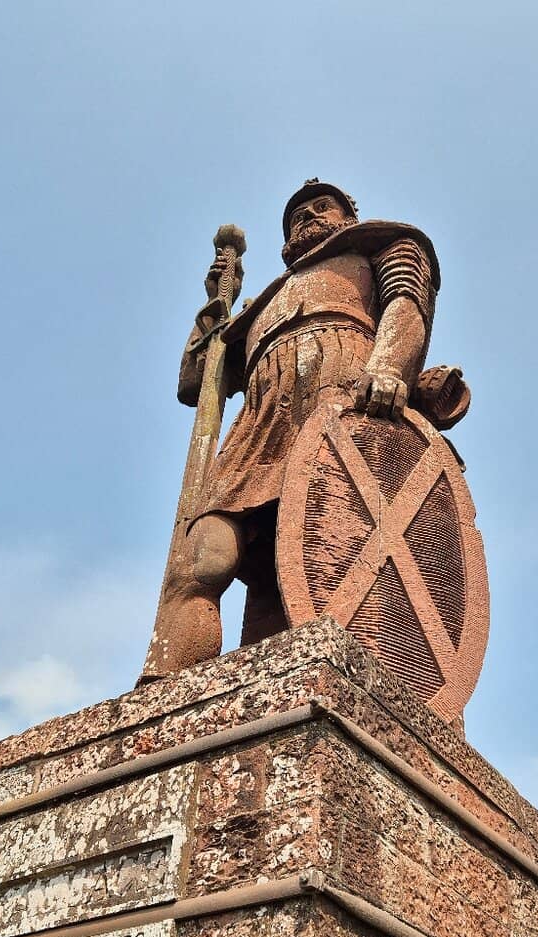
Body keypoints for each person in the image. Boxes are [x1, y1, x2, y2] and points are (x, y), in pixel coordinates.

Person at [151, 179, 449, 675]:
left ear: (346, 216)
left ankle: (356, 674)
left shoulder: (379, 246)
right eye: (295, 215)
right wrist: (212, 314)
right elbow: (193, 382)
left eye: (320, 206)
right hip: (256, 431)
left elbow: (406, 305)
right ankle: (165, 693)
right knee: (202, 559)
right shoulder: (257, 309)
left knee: (341, 553)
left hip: (340, 409)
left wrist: (389, 369)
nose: (307, 216)